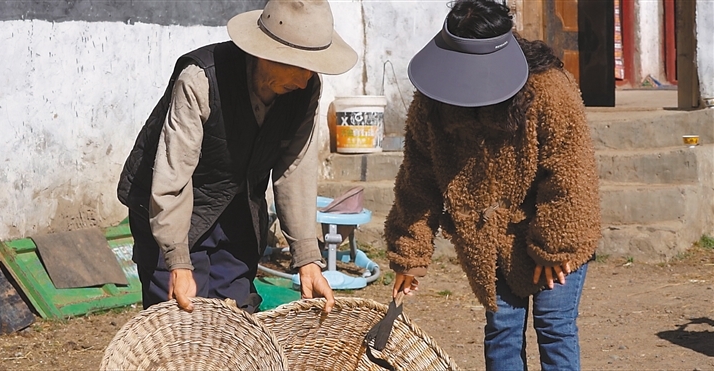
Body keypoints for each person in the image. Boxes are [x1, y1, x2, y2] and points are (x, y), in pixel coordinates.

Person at [384, 0, 601, 370]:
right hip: (489, 236)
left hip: (553, 226)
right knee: (501, 326)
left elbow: (571, 171)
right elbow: (417, 179)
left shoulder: (548, 88)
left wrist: (555, 244)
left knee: (554, 325)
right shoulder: (432, 103)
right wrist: (410, 254)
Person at [117, 0, 357, 315]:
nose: (304, 79)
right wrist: (177, 259)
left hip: (237, 208)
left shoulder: (305, 89)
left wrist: (307, 258)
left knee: (236, 316)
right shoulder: (200, 79)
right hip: (169, 208)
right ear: (265, 53)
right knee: (181, 322)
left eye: (312, 68)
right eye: (298, 65)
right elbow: (173, 174)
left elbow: (295, 169)